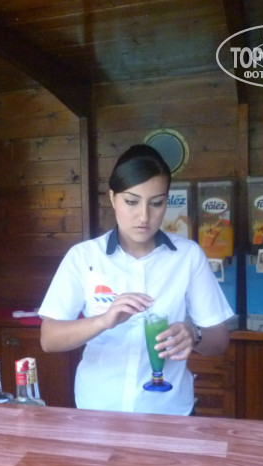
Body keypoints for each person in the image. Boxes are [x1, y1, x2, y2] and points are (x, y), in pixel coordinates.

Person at [38, 144, 234, 416]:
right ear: (113, 198)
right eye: (131, 202)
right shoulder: (83, 257)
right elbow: (49, 339)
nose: (144, 216)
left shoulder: (188, 256)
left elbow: (219, 340)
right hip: (98, 411)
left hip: (170, 412)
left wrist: (194, 334)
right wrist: (103, 320)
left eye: (156, 203)